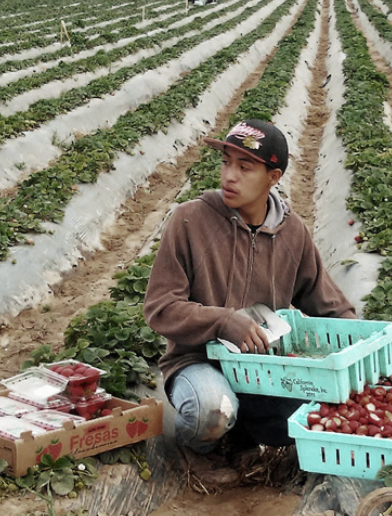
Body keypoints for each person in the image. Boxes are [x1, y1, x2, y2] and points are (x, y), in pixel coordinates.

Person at [144, 119, 355, 486]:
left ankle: (241, 437)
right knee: (211, 410)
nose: (230, 176)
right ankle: (198, 449)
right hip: (197, 361)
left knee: (328, 411)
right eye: (226, 162)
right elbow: (160, 307)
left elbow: (329, 303)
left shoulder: (293, 233)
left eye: (245, 167)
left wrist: (363, 352)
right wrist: (224, 321)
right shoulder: (190, 220)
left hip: (264, 371)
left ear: (273, 177)